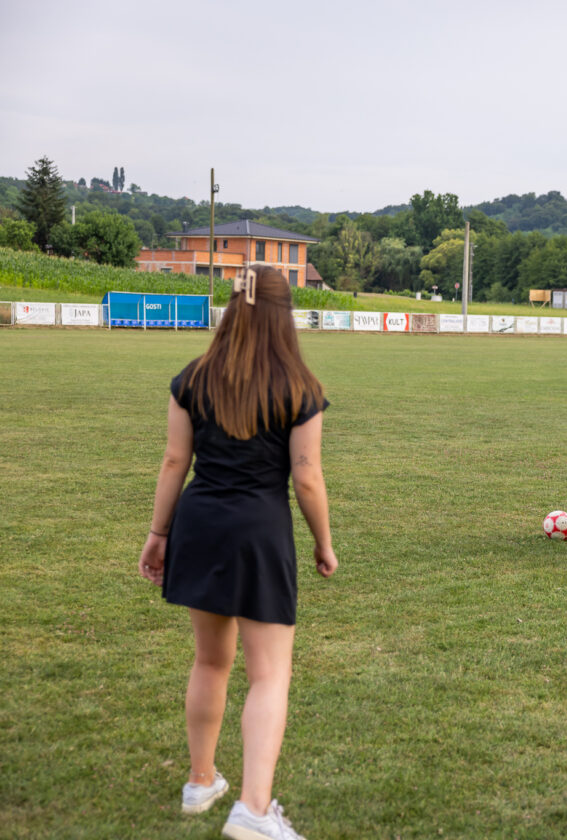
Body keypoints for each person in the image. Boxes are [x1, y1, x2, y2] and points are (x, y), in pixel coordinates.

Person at [138, 265, 335, 840]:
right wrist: (324, 543)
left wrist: (158, 532)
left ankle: (201, 781)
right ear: (284, 313)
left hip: (199, 526)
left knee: (210, 661)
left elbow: (175, 462)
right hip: (259, 533)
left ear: (230, 309)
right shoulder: (300, 386)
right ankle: (253, 808)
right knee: (269, 674)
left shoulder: (192, 378)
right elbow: (307, 478)